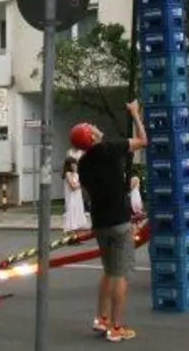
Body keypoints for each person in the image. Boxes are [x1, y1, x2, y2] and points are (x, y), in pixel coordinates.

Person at [72, 100, 148, 343]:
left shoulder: (83, 164)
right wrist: (135, 114)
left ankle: (101, 318)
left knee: (108, 271)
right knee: (120, 275)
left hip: (101, 223)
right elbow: (142, 140)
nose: (96, 127)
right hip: (118, 223)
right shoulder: (109, 149)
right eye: (92, 127)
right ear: (92, 137)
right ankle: (116, 326)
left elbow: (85, 193)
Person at [63, 155, 89, 234]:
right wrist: (80, 184)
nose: (75, 166)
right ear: (69, 165)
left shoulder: (76, 174)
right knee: (72, 212)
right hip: (71, 197)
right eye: (73, 164)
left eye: (75, 164)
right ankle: (71, 232)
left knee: (78, 212)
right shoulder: (68, 174)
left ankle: (77, 232)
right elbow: (73, 186)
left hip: (77, 196)